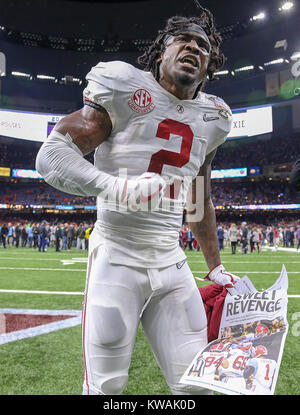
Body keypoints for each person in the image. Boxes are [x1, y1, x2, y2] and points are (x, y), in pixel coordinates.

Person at [36, 1, 240, 395]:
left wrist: (214, 266)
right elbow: (52, 156)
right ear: (161, 51)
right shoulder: (126, 87)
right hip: (118, 256)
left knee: (198, 386)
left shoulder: (214, 118)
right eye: (183, 39)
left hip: (171, 261)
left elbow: (198, 191)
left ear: (209, 66)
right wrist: (116, 187)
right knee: (106, 387)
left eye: (202, 46)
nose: (194, 48)